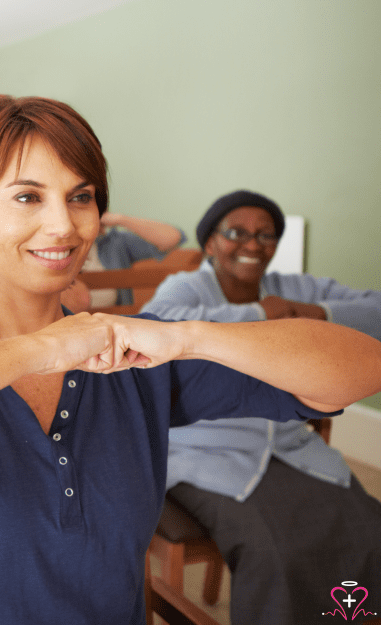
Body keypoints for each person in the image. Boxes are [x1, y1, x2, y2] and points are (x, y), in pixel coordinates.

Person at [0, 95, 381, 624]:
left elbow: (358, 371)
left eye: (81, 196)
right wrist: (38, 350)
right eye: (27, 196)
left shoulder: (137, 356)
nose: (64, 224)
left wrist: (192, 336)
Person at [141, 189, 381, 625]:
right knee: (276, 547)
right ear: (210, 242)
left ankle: (349, 616)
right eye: (236, 232)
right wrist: (263, 317)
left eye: (266, 235)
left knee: (368, 526)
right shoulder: (186, 286)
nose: (253, 244)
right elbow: (158, 327)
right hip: (205, 454)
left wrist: (305, 312)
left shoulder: (294, 287)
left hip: (291, 446)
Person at [62, 212, 186, 311]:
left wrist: (120, 219)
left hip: (119, 324)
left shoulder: (113, 243)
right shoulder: (55, 251)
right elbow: (80, 301)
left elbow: (173, 237)